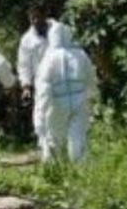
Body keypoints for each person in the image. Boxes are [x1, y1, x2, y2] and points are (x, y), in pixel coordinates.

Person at [34, 21, 96, 162]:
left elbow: (43, 87)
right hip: (80, 100)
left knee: (54, 138)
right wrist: (91, 99)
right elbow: (91, 78)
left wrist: (41, 111)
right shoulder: (81, 55)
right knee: (78, 136)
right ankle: (79, 169)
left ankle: (54, 168)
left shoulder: (48, 58)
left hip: (57, 102)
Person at [17, 6, 51, 109]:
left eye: (38, 17)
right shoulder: (27, 40)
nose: (36, 21)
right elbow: (24, 65)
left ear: (45, 16)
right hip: (41, 84)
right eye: (33, 18)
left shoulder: (57, 32)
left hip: (61, 82)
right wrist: (26, 87)